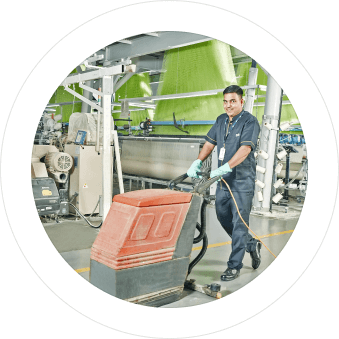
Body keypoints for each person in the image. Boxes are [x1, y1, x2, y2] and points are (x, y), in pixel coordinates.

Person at [187, 85, 261, 281]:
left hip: (241, 183)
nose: (228, 105)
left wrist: (225, 167)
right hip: (222, 182)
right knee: (222, 216)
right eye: (226, 101)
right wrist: (198, 161)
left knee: (239, 225)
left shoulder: (250, 122)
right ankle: (251, 244)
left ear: (241, 102)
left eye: (233, 101)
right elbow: (210, 144)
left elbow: (245, 149)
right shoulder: (221, 120)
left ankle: (234, 266)